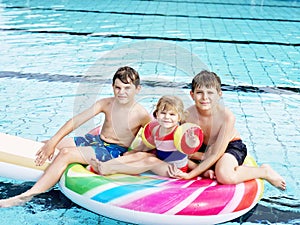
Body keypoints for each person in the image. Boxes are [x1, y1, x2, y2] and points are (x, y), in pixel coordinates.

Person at [0, 66, 151, 208]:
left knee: (66, 154)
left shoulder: (141, 114)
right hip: (95, 140)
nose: (121, 92)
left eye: (127, 88)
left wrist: (136, 153)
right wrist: (52, 142)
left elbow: (155, 137)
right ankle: (25, 176)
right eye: (117, 87)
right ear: (112, 87)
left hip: (113, 151)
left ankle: (28, 195)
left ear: (137, 89)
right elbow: (75, 121)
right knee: (43, 145)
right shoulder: (106, 104)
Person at [170, 70, 286, 190]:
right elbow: (178, 144)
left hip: (229, 147)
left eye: (210, 93)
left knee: (225, 176)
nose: (205, 97)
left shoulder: (226, 117)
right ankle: (206, 167)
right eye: (199, 92)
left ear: (219, 94)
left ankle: (264, 171)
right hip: (204, 149)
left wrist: (190, 175)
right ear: (192, 94)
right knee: (174, 156)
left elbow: (215, 153)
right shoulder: (187, 115)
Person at [91, 95, 205, 177]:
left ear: (179, 117)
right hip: (162, 162)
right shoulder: (156, 130)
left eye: (172, 114)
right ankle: (104, 164)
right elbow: (146, 146)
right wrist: (132, 153)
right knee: (142, 155)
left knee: (151, 161)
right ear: (157, 114)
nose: (167, 117)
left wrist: (192, 140)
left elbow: (190, 146)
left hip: (174, 169)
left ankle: (110, 169)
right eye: (163, 113)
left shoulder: (178, 133)